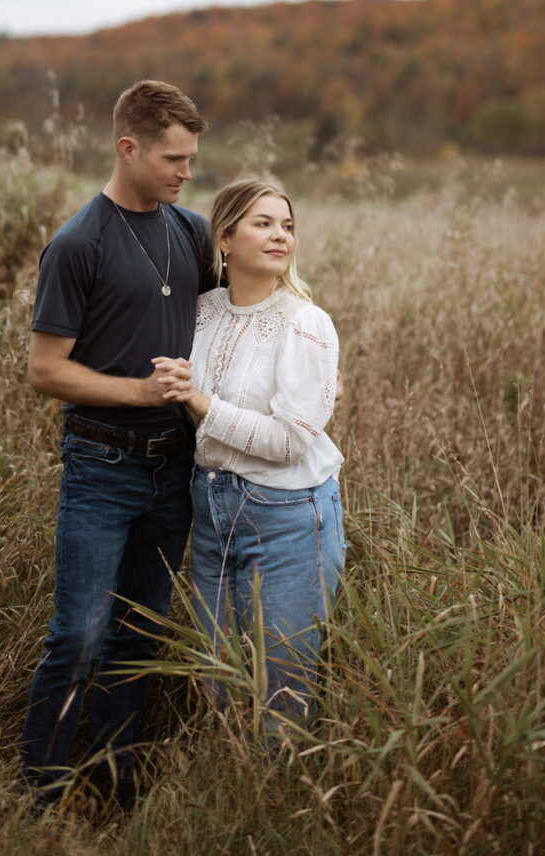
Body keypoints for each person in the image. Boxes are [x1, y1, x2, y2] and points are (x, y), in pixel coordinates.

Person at [20, 79, 212, 808]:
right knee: (79, 633)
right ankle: (40, 793)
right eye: (172, 157)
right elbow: (45, 371)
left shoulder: (191, 230)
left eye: (191, 158)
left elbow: (239, 314)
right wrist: (137, 391)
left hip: (178, 468)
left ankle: (113, 784)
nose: (185, 172)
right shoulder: (77, 244)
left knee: (140, 636)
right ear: (127, 148)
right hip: (101, 465)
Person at [153, 178, 345, 717]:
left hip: (286, 513)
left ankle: (279, 791)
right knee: (220, 678)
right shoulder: (203, 311)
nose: (280, 235)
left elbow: (288, 443)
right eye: (263, 224)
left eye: (287, 226)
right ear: (225, 239)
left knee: (281, 685)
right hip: (211, 505)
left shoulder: (305, 323)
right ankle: (224, 786)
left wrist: (199, 402)